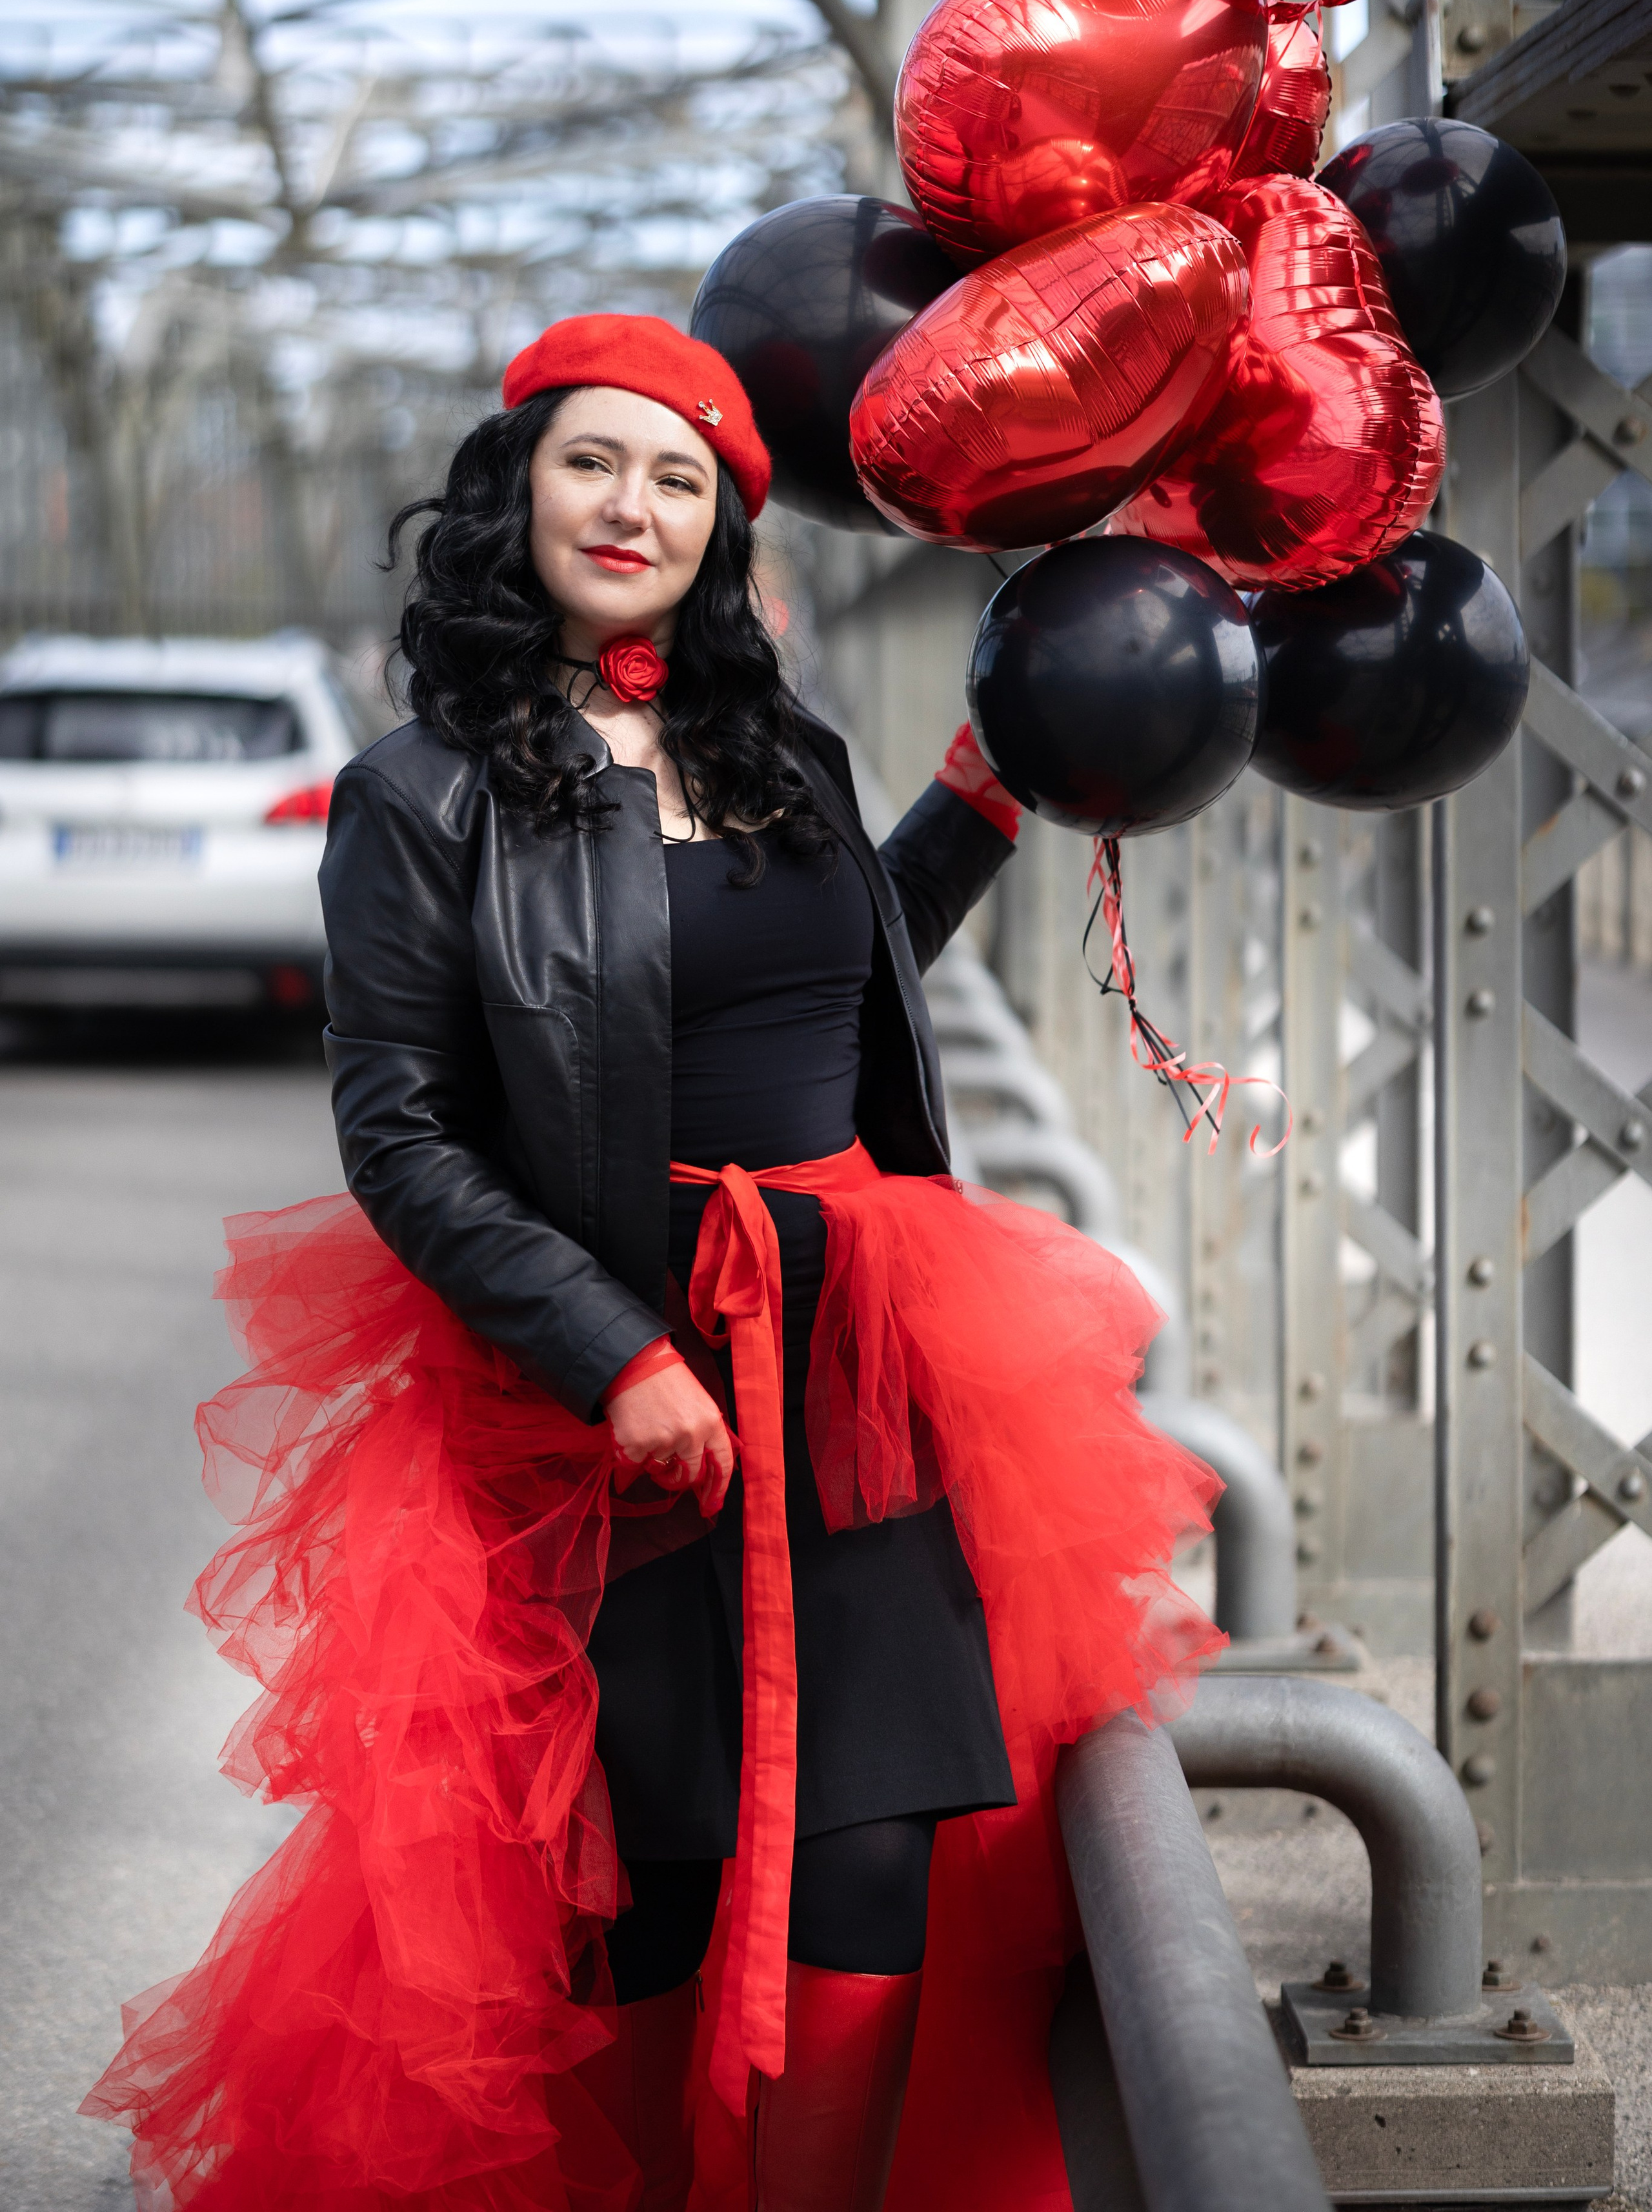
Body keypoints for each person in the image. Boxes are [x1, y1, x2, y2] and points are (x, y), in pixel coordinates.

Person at [84, 314, 1222, 2212]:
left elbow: (831, 998)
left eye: (681, 477)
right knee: (662, 1876)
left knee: (873, 1854)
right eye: (596, 461)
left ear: (723, 530)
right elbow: (403, 1132)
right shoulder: (421, 796)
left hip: (859, 1349)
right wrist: (613, 1350)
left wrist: (979, 802)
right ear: (515, 484)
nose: (635, 504)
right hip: (602, 1392)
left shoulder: (782, 743)